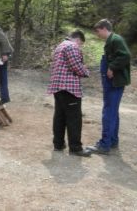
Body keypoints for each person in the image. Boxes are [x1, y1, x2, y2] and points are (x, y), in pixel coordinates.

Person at [88, 19, 131, 155]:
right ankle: (112, 140)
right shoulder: (112, 40)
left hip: (114, 82)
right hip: (113, 82)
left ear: (103, 28)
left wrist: (112, 67)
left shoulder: (115, 40)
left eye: (98, 32)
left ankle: (104, 144)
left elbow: (126, 56)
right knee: (112, 112)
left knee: (108, 112)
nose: (97, 35)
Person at [47, 30, 92, 157]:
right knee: (74, 118)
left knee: (60, 116)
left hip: (58, 87)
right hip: (69, 88)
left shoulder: (60, 46)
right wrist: (86, 72)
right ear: (78, 40)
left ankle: (58, 144)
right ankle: (76, 148)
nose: (80, 47)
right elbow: (76, 66)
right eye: (81, 44)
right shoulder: (72, 46)